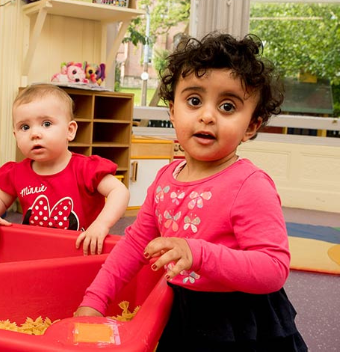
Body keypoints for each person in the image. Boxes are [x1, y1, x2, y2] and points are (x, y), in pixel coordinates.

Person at [75, 33, 308, 351]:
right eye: (194, 101)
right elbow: (134, 246)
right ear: (173, 111)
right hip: (184, 310)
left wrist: (199, 254)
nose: (207, 115)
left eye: (227, 106)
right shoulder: (164, 179)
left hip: (240, 321)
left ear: (251, 126)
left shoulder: (250, 185)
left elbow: (273, 269)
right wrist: (95, 300)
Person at [0, 84, 129, 255]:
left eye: (46, 124)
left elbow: (119, 191)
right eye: (25, 127)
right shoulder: (17, 172)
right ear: (16, 136)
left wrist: (101, 224)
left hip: (81, 251)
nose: (35, 134)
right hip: (36, 251)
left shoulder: (86, 168)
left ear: (70, 131)